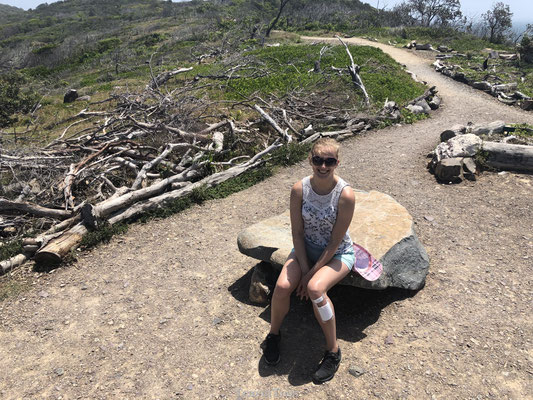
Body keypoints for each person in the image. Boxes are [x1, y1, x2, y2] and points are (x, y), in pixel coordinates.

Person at [262, 137, 356, 384]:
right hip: (306, 249)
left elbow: (336, 241)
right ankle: (273, 334)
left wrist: (311, 275)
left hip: (337, 253)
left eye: (329, 161)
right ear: (310, 160)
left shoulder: (345, 194)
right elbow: (297, 233)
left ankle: (333, 351)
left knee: (315, 289)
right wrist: (304, 269)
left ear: (337, 162)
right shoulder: (299, 189)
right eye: (318, 160)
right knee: (283, 287)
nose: (323, 166)